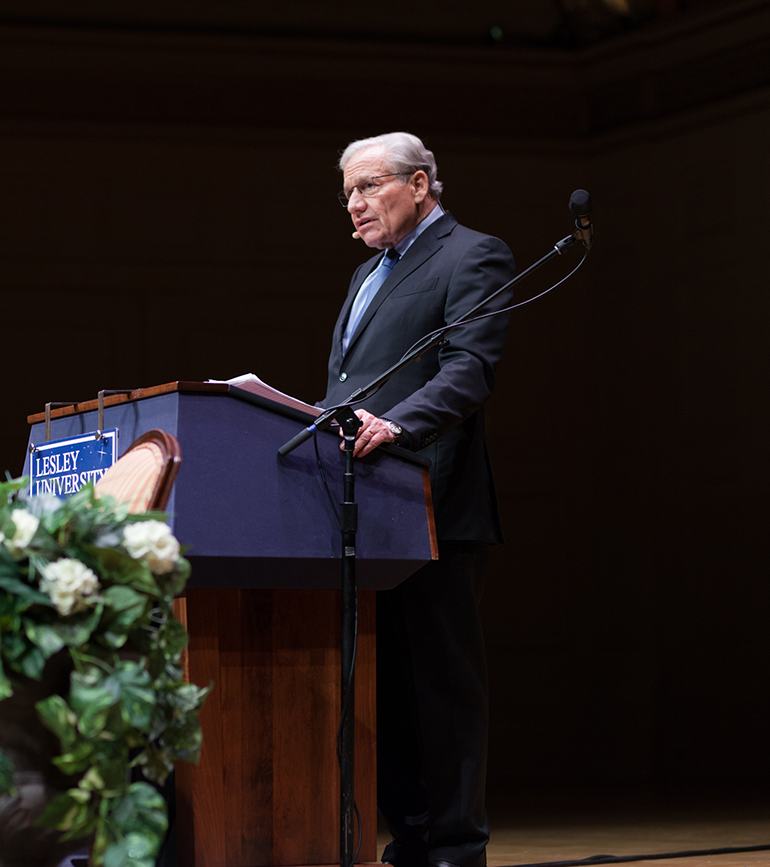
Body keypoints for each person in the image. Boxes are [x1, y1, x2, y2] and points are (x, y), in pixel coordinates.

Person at [321, 132, 514, 867]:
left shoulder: (473, 254)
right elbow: (350, 388)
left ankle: (456, 846)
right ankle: (411, 838)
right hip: (364, 506)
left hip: (435, 499)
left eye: (368, 188)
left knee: (441, 684)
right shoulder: (365, 274)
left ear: (421, 182)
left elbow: (469, 371)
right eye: (347, 195)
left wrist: (399, 423)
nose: (355, 207)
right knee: (390, 686)